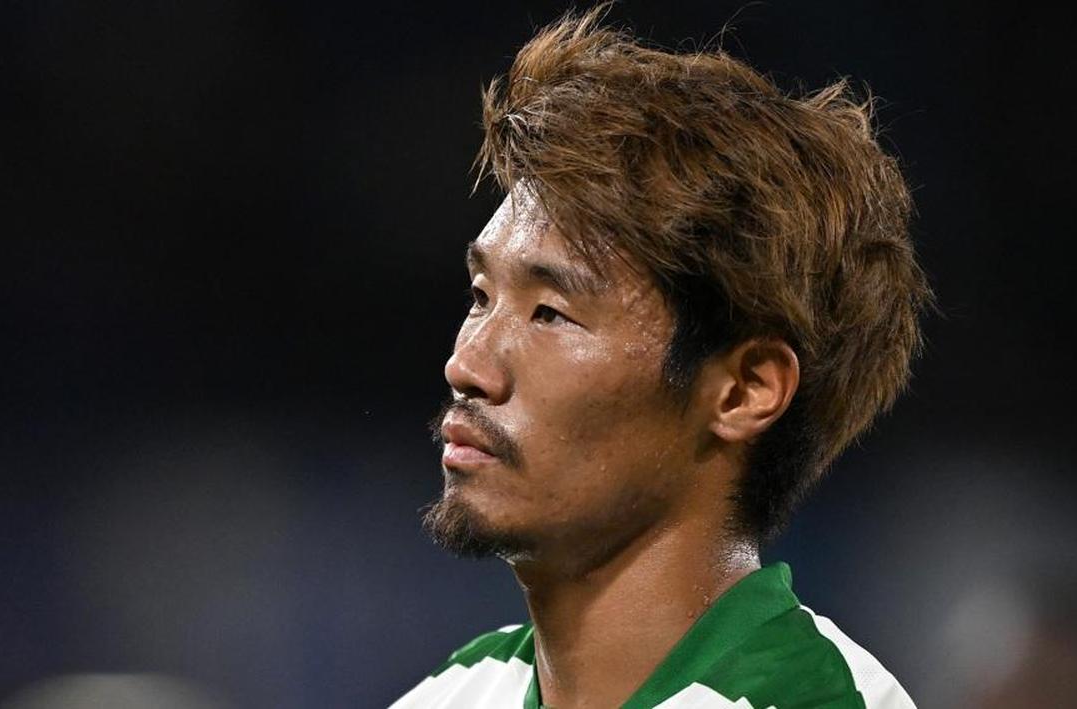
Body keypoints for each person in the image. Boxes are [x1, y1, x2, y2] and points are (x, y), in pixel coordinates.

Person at [391, 7, 930, 708]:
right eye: (480, 296)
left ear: (743, 390)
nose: (467, 366)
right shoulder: (454, 693)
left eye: (550, 313)